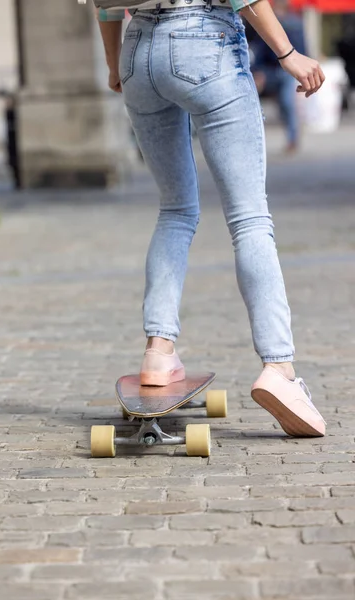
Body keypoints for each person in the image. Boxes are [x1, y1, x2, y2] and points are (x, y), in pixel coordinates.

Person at [94, 0, 326, 437]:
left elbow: (104, 6)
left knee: (175, 210)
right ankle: (280, 368)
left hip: (137, 51)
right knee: (250, 219)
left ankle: (158, 352)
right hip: (203, 40)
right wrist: (287, 53)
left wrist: (113, 64)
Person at [250, 0, 307, 153]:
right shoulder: (295, 23)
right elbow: (260, 52)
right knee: (286, 105)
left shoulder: (291, 24)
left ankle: (292, 138)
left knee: (287, 104)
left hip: (282, 71)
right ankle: (291, 138)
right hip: (274, 71)